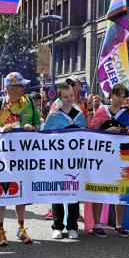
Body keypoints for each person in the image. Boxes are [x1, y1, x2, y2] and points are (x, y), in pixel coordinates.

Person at [0, 72, 41, 246]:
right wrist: (1, 130)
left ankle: (21, 228)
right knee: (0, 193)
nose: (24, 88)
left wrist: (32, 127)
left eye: (24, 85)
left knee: (21, 193)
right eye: (21, 86)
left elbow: (39, 125)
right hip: (1, 159)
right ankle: (0, 230)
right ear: (10, 87)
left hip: (23, 158)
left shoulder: (29, 102)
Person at [42, 84, 86, 240]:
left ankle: (72, 226)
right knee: (58, 193)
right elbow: (45, 135)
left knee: (73, 193)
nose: (69, 99)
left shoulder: (80, 115)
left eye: (71, 96)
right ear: (60, 98)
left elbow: (84, 137)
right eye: (66, 96)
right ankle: (57, 226)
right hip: (57, 160)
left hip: (74, 161)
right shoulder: (53, 115)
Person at [90, 84, 129, 238]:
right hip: (102, 156)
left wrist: (128, 131)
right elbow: (92, 132)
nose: (120, 99)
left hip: (120, 156)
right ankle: (96, 224)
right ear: (111, 95)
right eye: (117, 95)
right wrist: (106, 131)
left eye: (123, 96)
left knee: (120, 189)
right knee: (99, 188)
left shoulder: (126, 113)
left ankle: (119, 224)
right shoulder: (101, 110)